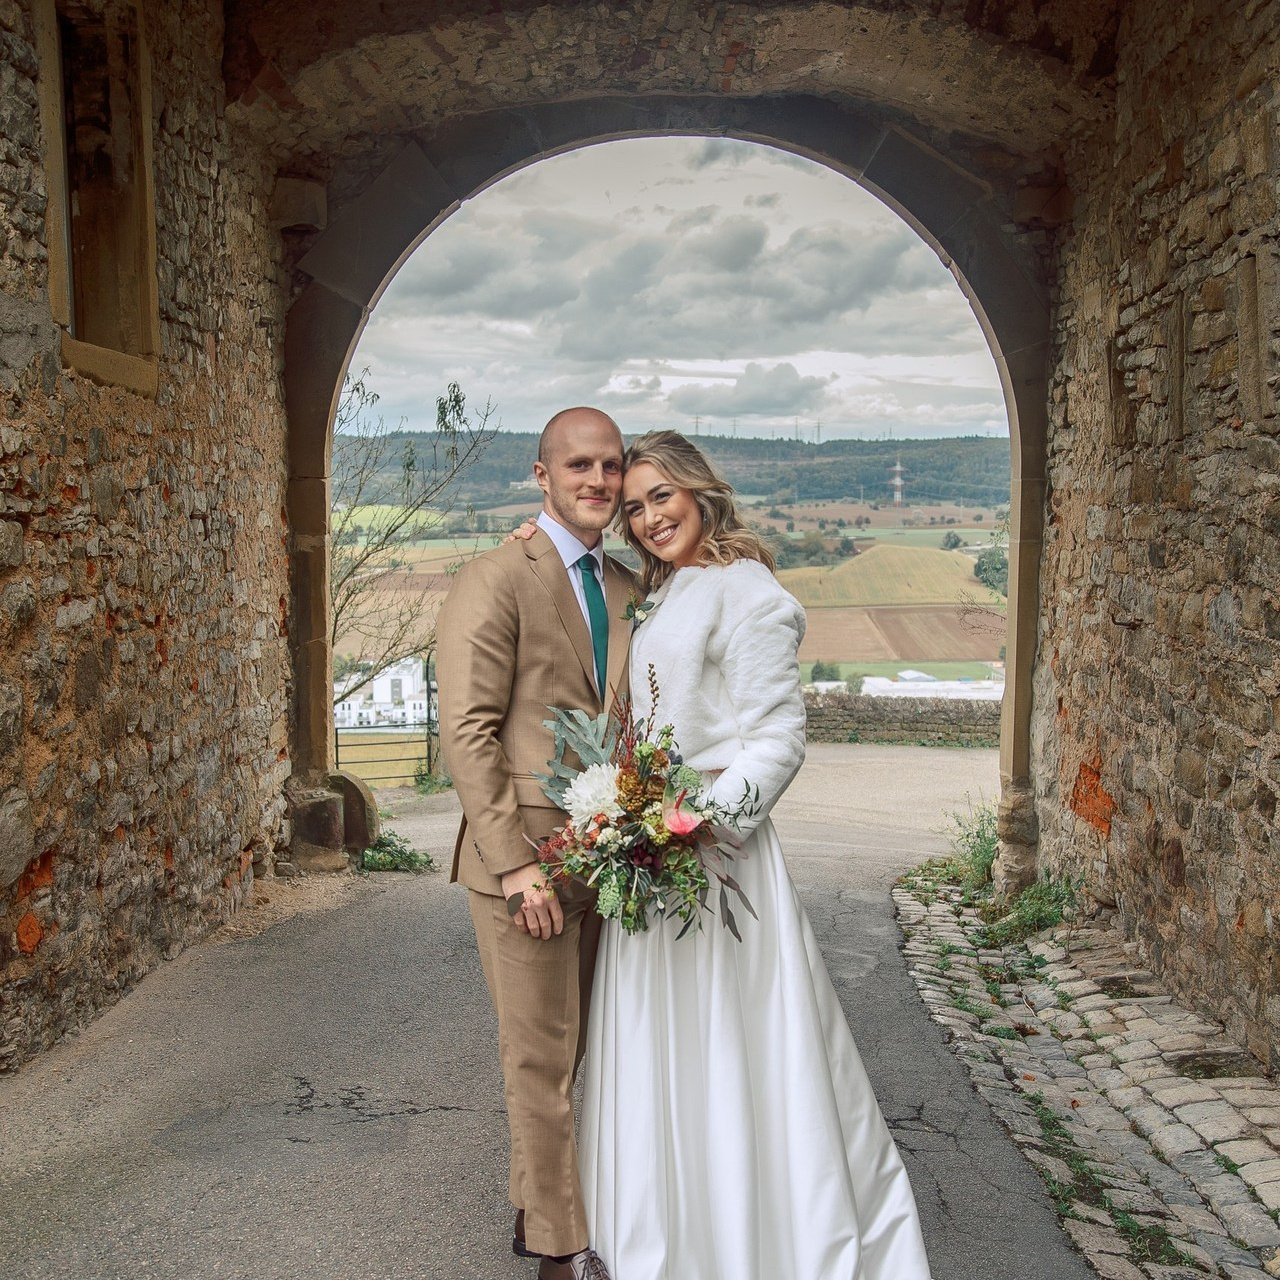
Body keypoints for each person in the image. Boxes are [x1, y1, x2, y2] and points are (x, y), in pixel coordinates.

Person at [578, 430, 933, 1280]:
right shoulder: (664, 590)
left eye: (662, 496)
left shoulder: (748, 592)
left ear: (701, 492)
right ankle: (655, 1233)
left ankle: (754, 1240)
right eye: (634, 506)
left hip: (715, 859)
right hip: (653, 852)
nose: (650, 517)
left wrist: (693, 826)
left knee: (734, 1051)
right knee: (658, 1050)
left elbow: (777, 741)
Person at [436, 406, 632, 1280]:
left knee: (580, 1047)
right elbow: (469, 731)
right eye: (579, 465)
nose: (598, 480)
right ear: (542, 476)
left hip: (611, 855)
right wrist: (517, 866)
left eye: (612, 466)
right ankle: (560, 1249)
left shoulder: (630, 585)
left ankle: (535, 1206)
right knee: (540, 1056)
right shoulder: (495, 577)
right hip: (524, 865)